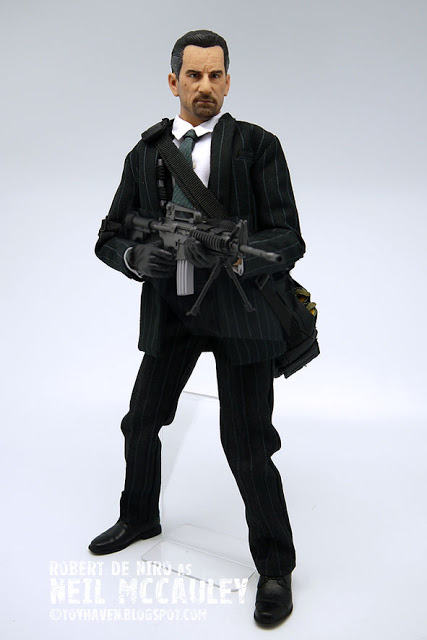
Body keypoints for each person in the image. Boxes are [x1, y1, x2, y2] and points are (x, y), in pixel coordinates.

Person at [89, 29, 312, 627]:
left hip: (241, 312)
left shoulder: (257, 146)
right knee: (141, 420)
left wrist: (234, 254)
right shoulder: (146, 154)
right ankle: (140, 516)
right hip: (173, 309)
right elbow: (109, 234)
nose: (205, 85)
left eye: (215, 75)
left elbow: (289, 238)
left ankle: (275, 566)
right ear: (174, 81)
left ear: (228, 82)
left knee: (247, 442)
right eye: (194, 75)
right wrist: (136, 257)